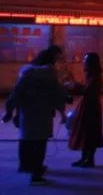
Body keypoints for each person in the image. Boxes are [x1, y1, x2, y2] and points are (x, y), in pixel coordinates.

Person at [3, 46, 66, 185]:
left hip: (27, 114)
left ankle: (25, 166)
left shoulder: (26, 74)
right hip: (43, 115)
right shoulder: (51, 75)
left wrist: (9, 111)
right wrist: (62, 113)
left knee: (26, 140)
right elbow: (57, 95)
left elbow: (16, 94)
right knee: (40, 144)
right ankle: (36, 175)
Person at [68, 52, 103, 167]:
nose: (84, 62)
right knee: (86, 133)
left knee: (89, 133)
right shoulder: (92, 75)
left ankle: (89, 159)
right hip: (88, 105)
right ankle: (85, 158)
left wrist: (74, 87)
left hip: (91, 107)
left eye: (86, 60)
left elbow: (87, 91)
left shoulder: (95, 76)